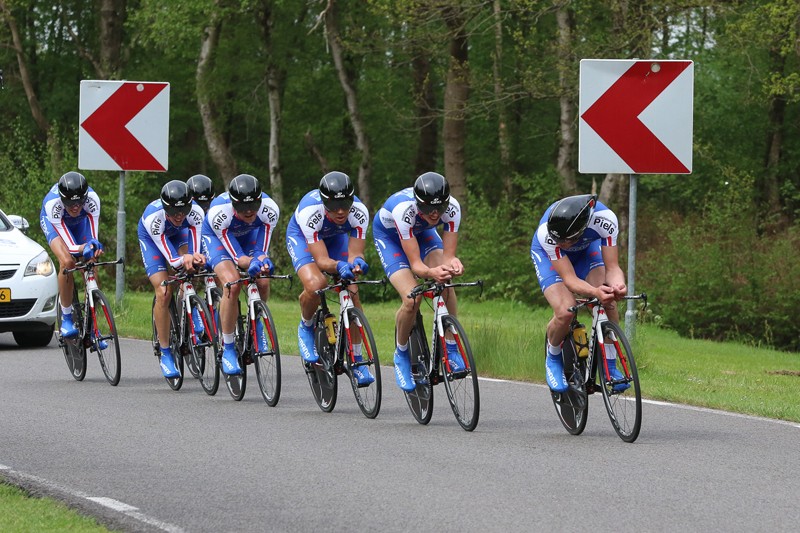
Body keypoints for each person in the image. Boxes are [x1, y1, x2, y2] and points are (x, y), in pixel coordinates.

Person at [372, 171, 465, 392]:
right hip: (391, 238)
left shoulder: (453, 208)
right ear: (417, 203)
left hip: (423, 233)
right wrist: (431, 272)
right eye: (427, 209)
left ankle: (451, 346)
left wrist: (453, 265)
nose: (434, 214)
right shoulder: (404, 210)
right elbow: (417, 266)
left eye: (439, 209)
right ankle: (401, 352)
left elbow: (449, 256)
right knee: (411, 299)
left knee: (445, 281)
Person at [530, 193, 628, 393]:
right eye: (560, 241)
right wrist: (594, 291)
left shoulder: (606, 220)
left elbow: (613, 268)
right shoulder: (548, 236)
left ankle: (610, 364)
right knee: (565, 310)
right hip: (550, 258)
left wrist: (618, 286)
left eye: (567, 241)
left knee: (608, 302)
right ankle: (553, 355)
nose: (562, 244)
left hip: (586, 251)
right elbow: (570, 280)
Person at [285, 171, 373, 385]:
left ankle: (357, 359)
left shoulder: (359, 212)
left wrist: (357, 262)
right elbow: (322, 260)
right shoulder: (310, 213)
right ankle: (306, 326)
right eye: (334, 206)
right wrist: (338, 265)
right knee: (317, 284)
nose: (341, 211)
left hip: (335, 237)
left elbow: (355, 253)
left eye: (345, 204)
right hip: (304, 240)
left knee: (352, 291)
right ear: (324, 203)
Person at [201, 174, 279, 376]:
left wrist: (262, 260)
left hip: (249, 237)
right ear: (233, 204)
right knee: (233, 284)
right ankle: (227, 347)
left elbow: (261, 250)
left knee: (262, 279)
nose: (250, 211)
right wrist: (250, 261)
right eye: (243, 208)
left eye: (253, 206)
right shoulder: (219, 213)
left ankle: (258, 322)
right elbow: (237, 257)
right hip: (219, 240)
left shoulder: (270, 210)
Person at [138, 180, 206, 378]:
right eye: (173, 211)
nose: (179, 215)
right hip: (153, 240)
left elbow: (194, 252)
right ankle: (165, 351)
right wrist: (185, 260)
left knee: (192, 267)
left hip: (178, 235)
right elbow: (173, 261)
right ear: (165, 207)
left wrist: (196, 258)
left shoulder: (195, 213)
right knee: (164, 291)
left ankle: (188, 305)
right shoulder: (154, 218)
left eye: (183, 210)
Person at [40, 171, 104, 339]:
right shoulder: (52, 205)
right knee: (67, 262)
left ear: (85, 197)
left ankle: (92, 325)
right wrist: (84, 248)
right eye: (70, 202)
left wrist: (94, 247)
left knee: (91, 262)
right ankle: (66, 317)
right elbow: (71, 247)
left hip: (79, 224)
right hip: (55, 225)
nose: (75, 207)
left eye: (79, 202)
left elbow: (93, 237)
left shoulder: (93, 200)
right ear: (62, 198)